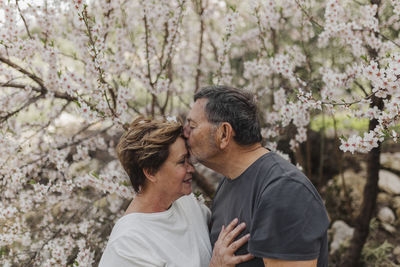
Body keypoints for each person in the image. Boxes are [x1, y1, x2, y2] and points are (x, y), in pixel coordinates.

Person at [184, 85, 330, 267]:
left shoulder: (284, 190)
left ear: (224, 134)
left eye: (192, 126)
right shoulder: (229, 181)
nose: (184, 133)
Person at [99, 116, 253, 267]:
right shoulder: (127, 244)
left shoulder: (186, 201)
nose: (191, 169)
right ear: (151, 172)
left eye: (188, 160)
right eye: (181, 162)